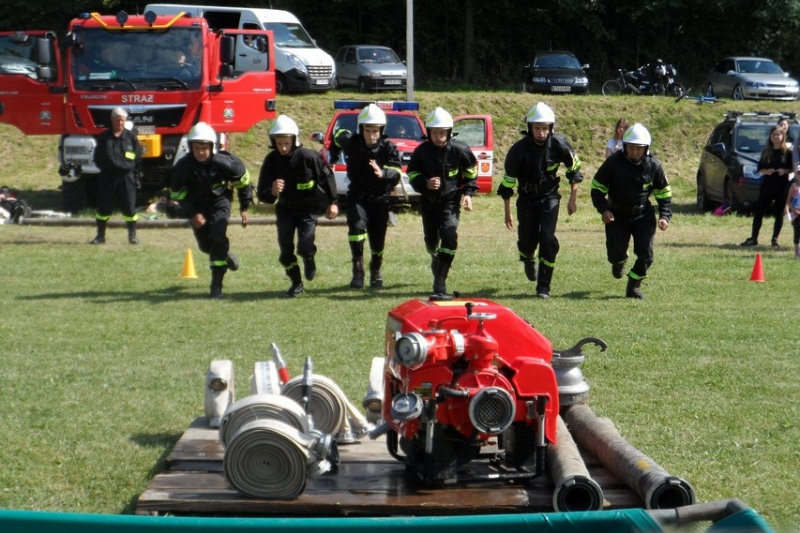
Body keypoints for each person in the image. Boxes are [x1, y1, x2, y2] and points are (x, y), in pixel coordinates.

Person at [496, 102, 583, 299]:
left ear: (551, 128)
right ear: (529, 128)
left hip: (549, 198)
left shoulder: (560, 145)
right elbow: (508, 185)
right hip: (526, 199)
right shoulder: (517, 151)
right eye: (537, 128)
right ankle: (527, 257)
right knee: (527, 241)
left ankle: (544, 286)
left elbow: (574, 171)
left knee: (547, 239)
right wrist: (507, 212)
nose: (541, 133)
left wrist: (573, 199)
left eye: (545, 128)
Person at [257, 115, 338, 297]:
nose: (283, 148)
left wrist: (333, 202)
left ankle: (309, 258)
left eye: (286, 143)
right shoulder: (271, 160)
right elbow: (262, 193)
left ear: (294, 140)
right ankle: (296, 284)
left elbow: (328, 177)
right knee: (285, 251)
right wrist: (271, 191)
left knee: (304, 247)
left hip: (308, 209)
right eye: (279, 143)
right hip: (285, 209)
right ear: (273, 142)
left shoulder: (309, 157)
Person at [169, 122, 251, 299]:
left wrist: (244, 207)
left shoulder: (226, 163)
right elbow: (176, 195)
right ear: (190, 147)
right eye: (196, 148)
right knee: (206, 246)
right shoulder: (182, 167)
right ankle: (226, 255)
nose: (200, 152)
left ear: (212, 146)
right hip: (196, 206)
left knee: (217, 238)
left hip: (220, 202)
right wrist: (191, 213)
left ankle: (216, 287)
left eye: (204, 148)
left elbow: (244, 182)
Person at [590, 123, 672, 299]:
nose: (635, 152)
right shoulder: (613, 163)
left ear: (646, 149)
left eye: (639, 149)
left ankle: (633, 287)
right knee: (615, 254)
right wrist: (604, 210)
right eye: (631, 148)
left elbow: (664, 193)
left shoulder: (654, 166)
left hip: (643, 216)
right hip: (616, 216)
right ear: (625, 146)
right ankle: (618, 261)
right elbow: (597, 188)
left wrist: (665, 215)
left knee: (646, 256)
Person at [407, 106, 478, 296]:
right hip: (428, 203)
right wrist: (425, 183)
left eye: (442, 133)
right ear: (428, 132)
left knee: (449, 234)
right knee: (432, 240)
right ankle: (434, 254)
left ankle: (440, 280)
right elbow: (412, 174)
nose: (439, 137)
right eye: (435, 133)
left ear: (449, 132)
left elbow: (471, 172)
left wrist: (469, 194)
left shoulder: (460, 150)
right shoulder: (421, 151)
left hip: (451, 201)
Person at [329, 104, 401, 289]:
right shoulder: (351, 142)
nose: (372, 135)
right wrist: (333, 158)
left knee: (377, 240)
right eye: (368, 130)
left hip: (380, 199)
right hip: (357, 196)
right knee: (356, 229)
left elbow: (396, 173)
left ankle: (376, 270)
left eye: (375, 131)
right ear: (361, 129)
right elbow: (336, 137)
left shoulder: (388, 147)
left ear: (381, 130)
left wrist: (384, 173)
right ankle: (358, 272)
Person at [91, 107, 142, 245]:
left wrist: (129, 168)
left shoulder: (130, 137)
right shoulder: (104, 137)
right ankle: (100, 236)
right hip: (108, 177)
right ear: (112, 120)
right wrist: (109, 168)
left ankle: (132, 236)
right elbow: (97, 157)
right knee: (103, 207)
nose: (120, 123)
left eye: (122, 120)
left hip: (126, 177)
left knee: (130, 207)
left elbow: (137, 156)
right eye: (117, 120)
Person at [740, 125, 793, 248]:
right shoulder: (766, 151)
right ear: (770, 137)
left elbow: (793, 169)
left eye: (778, 135)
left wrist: (784, 171)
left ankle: (774, 240)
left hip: (781, 186)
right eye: (773, 134)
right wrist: (766, 171)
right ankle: (754, 238)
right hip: (767, 186)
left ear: (782, 136)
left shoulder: (787, 152)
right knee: (759, 212)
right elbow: (760, 168)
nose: (775, 137)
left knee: (779, 213)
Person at [785, 169, 800, 258]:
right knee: (797, 232)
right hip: (796, 213)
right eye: (799, 173)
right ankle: (797, 251)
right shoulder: (794, 186)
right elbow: (788, 201)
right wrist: (793, 210)